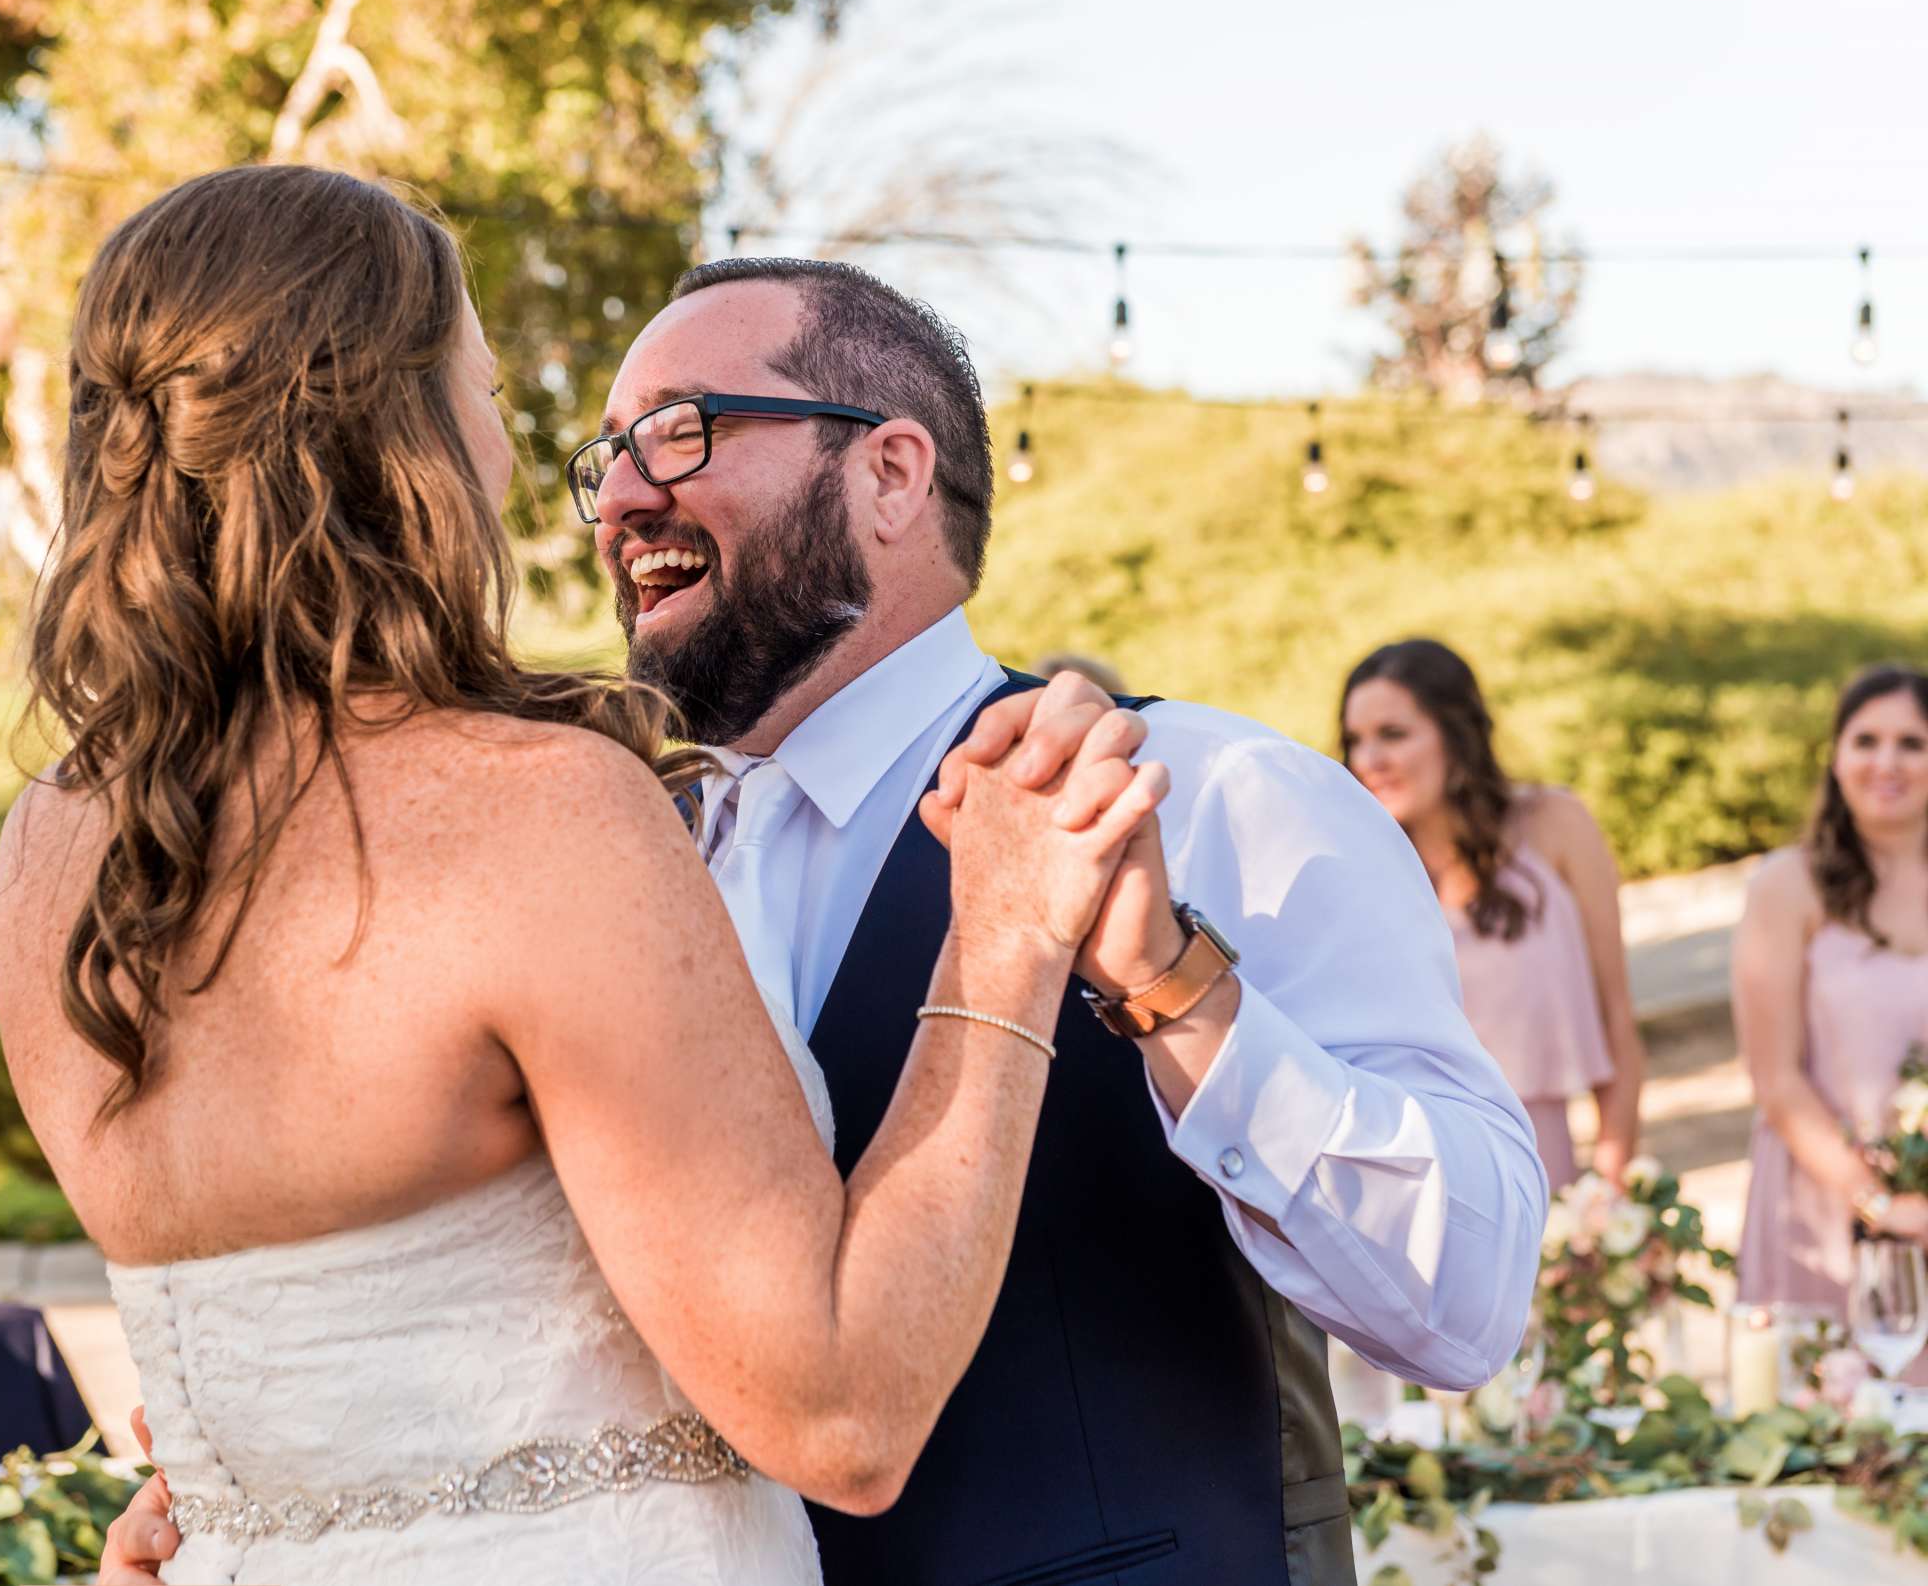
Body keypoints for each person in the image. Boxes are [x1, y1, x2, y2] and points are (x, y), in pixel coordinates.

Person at [105, 249, 1546, 1586]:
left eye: (680, 431)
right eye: (604, 460)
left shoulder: (1211, 795)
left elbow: (1464, 1303)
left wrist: (1174, 987)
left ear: (892, 471)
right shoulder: (588, 862)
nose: (617, 500)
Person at [0, 164, 1170, 1586]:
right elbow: (845, 1410)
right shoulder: (534, 811)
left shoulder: (56, 850)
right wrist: (1005, 928)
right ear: (403, 435)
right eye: (485, 397)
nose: (523, 462)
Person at [1340, 638, 1647, 1189]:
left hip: (1547, 1172)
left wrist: (1610, 1188)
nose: (1369, 761)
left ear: (1456, 737)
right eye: (1355, 741)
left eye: (1393, 734)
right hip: (1412, 1183)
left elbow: (1617, 1019)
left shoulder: (1556, 825)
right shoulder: (1353, 876)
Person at [1736, 663, 1928, 1328]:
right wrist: (1880, 1205)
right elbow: (1775, 1077)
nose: (1888, 762)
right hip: (1819, 1206)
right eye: (1866, 740)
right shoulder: (1787, 887)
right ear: (1836, 759)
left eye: (1913, 743)